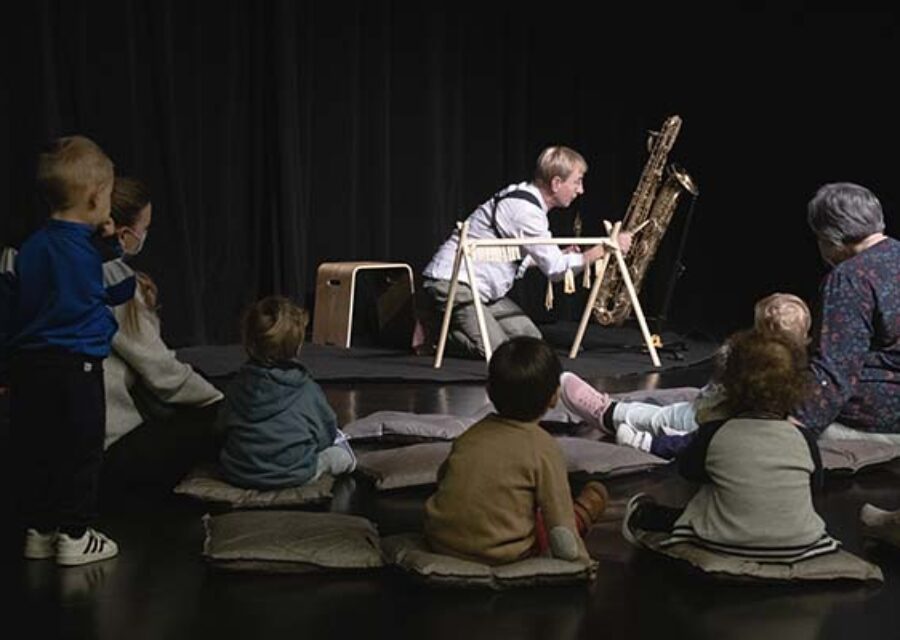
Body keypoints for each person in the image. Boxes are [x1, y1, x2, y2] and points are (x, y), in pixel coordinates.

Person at [4, 136, 135, 566]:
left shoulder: (26, 248)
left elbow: (9, 304)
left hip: (27, 368)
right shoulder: (90, 251)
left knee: (36, 450)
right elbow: (123, 288)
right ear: (96, 198)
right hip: (77, 370)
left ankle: (39, 531)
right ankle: (75, 535)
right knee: (80, 452)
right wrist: (112, 244)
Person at [621, 329, 841, 563]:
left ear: (729, 383)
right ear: (797, 387)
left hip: (724, 542)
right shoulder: (804, 438)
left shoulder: (715, 432)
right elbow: (815, 486)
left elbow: (689, 472)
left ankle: (643, 521)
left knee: (659, 514)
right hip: (800, 545)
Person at [421, 146, 632, 358]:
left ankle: (453, 324)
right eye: (577, 182)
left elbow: (509, 254)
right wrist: (604, 249)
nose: (581, 190)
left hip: (481, 290)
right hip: (453, 283)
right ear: (556, 183)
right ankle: (434, 334)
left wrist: (559, 255)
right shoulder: (526, 211)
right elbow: (556, 271)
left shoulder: (528, 203)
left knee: (531, 341)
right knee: (497, 350)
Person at [423, 336, 610, 565]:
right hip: (501, 553)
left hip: (440, 543)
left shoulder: (469, 437)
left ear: (489, 391)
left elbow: (444, 480)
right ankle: (585, 509)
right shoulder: (543, 448)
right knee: (589, 498)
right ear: (555, 397)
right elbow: (561, 528)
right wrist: (582, 566)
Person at [558, 292, 812, 458]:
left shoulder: (743, 361)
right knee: (683, 408)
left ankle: (610, 414)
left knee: (667, 419)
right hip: (720, 417)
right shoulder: (790, 372)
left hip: (715, 423)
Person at [98, 177, 225, 502]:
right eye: (145, 228)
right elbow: (162, 373)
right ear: (123, 234)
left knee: (194, 383)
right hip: (108, 455)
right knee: (218, 416)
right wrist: (224, 403)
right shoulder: (115, 283)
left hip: (54, 449)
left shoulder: (52, 266)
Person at [792, 182, 899, 441]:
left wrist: (794, 429)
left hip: (881, 408)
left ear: (830, 237)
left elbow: (835, 370)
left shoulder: (850, 278)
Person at [218, 295, 356, 489]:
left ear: (247, 341)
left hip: (239, 473)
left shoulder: (237, 386)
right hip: (296, 473)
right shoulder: (306, 389)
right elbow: (325, 435)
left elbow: (221, 428)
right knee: (341, 453)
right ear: (298, 345)